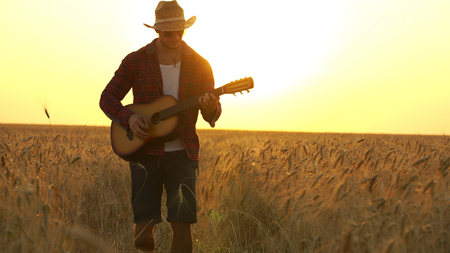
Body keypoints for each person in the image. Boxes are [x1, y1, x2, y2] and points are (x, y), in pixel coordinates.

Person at [99, 1, 221, 252]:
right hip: (144, 154)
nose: (175, 36)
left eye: (181, 31)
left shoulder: (201, 64)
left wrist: (210, 106)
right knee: (143, 229)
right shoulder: (135, 61)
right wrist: (128, 118)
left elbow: (212, 115)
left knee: (183, 226)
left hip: (183, 154)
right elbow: (107, 98)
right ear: (156, 31)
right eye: (168, 32)